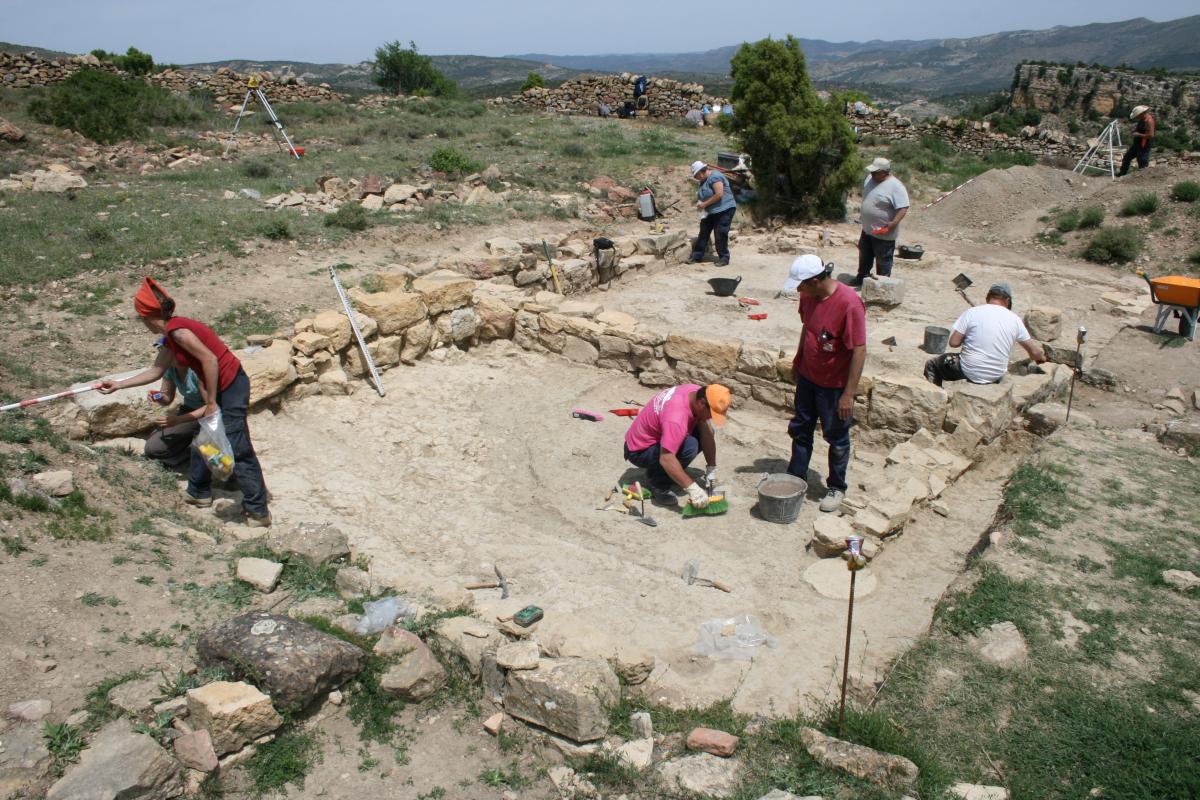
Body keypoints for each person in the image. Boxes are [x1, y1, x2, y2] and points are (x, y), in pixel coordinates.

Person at [99, 278, 272, 527]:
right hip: (220, 387)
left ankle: (258, 511)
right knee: (203, 440)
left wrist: (211, 402)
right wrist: (119, 384)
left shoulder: (178, 332)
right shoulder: (170, 336)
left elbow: (210, 360)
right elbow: (156, 371)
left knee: (238, 445)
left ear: (146, 316)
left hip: (231, 385)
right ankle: (198, 492)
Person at [784, 255, 867, 513]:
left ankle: (836, 486)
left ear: (816, 281)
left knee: (837, 437)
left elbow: (859, 350)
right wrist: (798, 359)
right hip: (808, 377)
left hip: (834, 386)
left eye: (802, 285)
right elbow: (807, 328)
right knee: (801, 428)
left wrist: (848, 394)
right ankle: (796, 476)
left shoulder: (849, 304)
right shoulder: (808, 296)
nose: (798, 291)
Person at [623, 384, 731, 509]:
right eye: (711, 413)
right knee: (690, 446)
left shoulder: (695, 391)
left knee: (706, 428)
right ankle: (658, 483)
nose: (711, 417)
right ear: (701, 403)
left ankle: (671, 472)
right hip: (639, 450)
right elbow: (666, 458)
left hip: (655, 436)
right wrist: (693, 489)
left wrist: (711, 468)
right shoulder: (676, 418)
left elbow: (706, 432)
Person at [923, 283, 1046, 386]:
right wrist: (1042, 358)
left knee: (932, 365)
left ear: (987, 298)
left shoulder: (972, 312)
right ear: (1007, 301)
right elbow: (1034, 353)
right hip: (996, 374)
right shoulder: (1015, 319)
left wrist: (969, 336)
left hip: (968, 371)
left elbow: (953, 343)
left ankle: (937, 397)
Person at [144, 345, 204, 468]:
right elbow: (167, 398)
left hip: (208, 414)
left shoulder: (196, 370)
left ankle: (194, 447)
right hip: (189, 410)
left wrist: (178, 420)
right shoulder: (170, 369)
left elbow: (212, 406)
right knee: (153, 448)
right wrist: (158, 396)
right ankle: (190, 446)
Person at [853, 157, 909, 286]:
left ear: (884, 172)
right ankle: (861, 278)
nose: (872, 174)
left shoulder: (896, 186)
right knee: (865, 256)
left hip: (884, 233)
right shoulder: (870, 178)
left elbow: (903, 207)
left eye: (875, 172)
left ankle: (882, 285)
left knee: (883, 261)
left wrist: (893, 223)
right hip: (867, 229)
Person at [686, 161, 737, 267]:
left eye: (696, 175)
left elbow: (719, 194)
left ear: (701, 172)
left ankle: (724, 258)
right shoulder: (703, 181)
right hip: (710, 211)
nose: (696, 178)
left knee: (720, 234)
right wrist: (701, 204)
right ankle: (697, 256)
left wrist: (704, 204)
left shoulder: (715, 176)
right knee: (703, 232)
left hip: (724, 209)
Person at [1118, 105, 1155, 177]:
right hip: (1137, 144)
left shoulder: (1149, 121)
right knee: (1127, 158)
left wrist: (1138, 135)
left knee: (1142, 162)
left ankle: (1143, 178)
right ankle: (1122, 174)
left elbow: (1151, 135)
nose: (1137, 117)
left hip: (1144, 145)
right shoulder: (1142, 120)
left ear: (1141, 113)